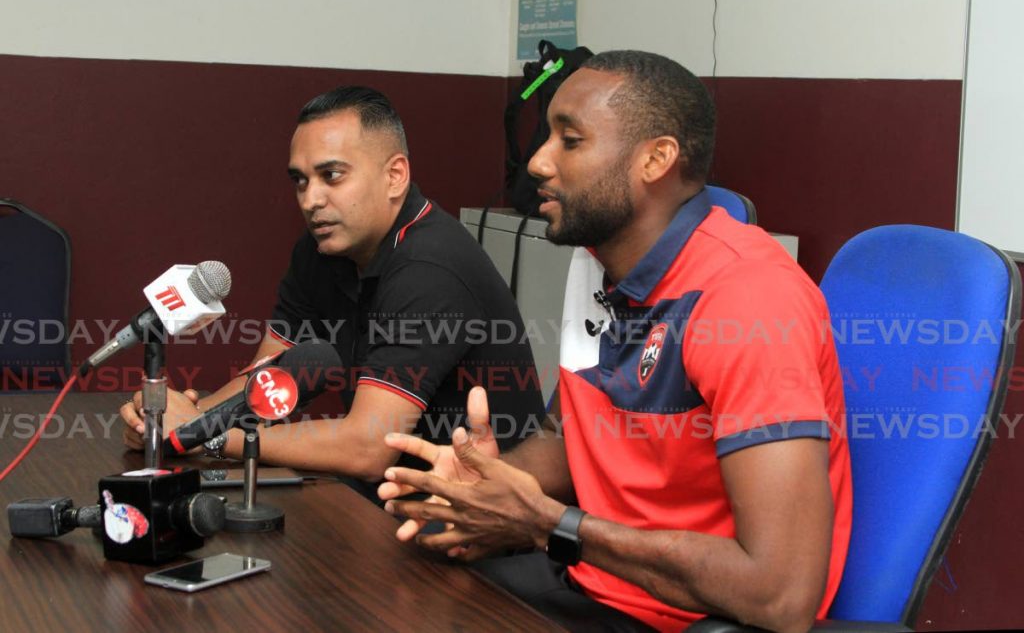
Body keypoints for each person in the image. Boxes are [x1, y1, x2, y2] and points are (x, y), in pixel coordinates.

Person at [378, 51, 852, 632]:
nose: (538, 162)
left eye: (569, 141)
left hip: (686, 617)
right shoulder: (597, 260)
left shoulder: (749, 302)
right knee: (382, 589)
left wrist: (545, 524)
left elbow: (780, 594)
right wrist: (495, 485)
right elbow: (574, 432)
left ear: (656, 158)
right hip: (588, 580)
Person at [120, 86, 545, 496]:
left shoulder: (431, 268)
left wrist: (201, 434)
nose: (311, 199)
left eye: (331, 176)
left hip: (481, 520)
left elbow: (369, 446)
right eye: (300, 181)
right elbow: (265, 385)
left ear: (395, 176)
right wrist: (172, 420)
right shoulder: (320, 251)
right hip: (386, 500)